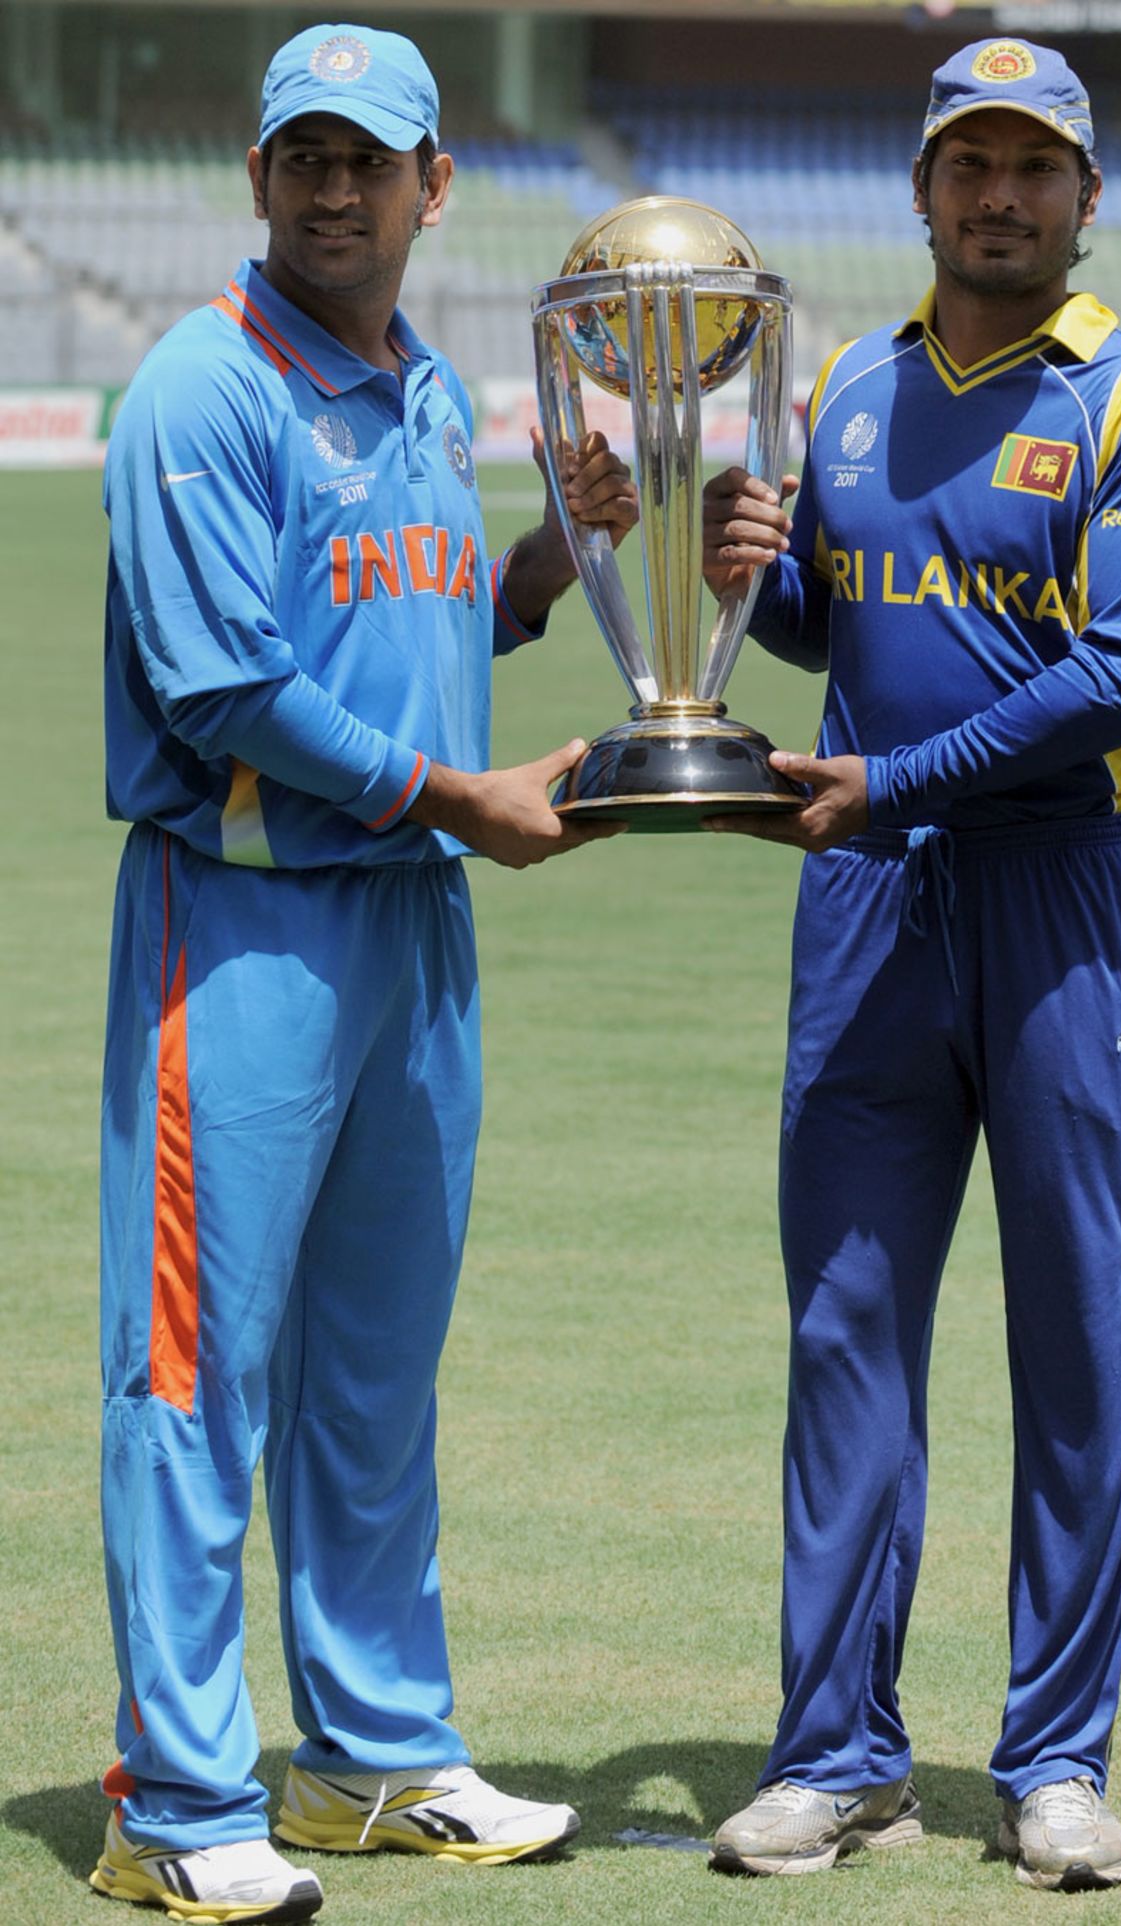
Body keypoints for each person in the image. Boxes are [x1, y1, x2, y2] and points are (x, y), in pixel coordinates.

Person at [91, 22, 635, 1923]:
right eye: (301, 159)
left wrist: (555, 565)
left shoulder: (418, 389)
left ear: (433, 186)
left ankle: (373, 1755)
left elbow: (407, 618)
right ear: (257, 180)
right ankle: (177, 1798)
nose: (334, 191)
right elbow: (228, 684)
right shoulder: (200, 382)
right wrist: (461, 799)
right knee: (193, 1373)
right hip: (241, 922)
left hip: (413, 917)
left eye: (368, 160)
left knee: (372, 1372)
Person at [701, 37, 1121, 1892]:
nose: (1000, 197)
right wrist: (732, 561)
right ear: (920, 189)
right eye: (968, 165)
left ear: (1089, 197)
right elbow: (822, 625)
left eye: (1036, 169)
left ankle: (1057, 1757)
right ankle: (836, 1753)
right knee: (847, 1331)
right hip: (865, 915)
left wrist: (889, 786)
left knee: (1084, 1332)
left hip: (1061, 901)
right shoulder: (846, 385)